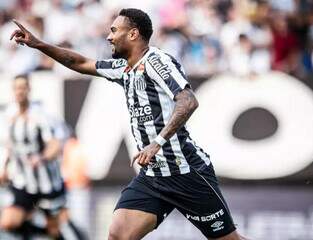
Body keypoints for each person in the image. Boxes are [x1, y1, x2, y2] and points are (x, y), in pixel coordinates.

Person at [10, 8, 246, 240]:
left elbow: (188, 101)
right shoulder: (123, 69)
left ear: (133, 34)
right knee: (118, 234)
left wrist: (156, 143)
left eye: (114, 30)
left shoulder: (156, 61)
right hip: (154, 175)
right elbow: (78, 62)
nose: (108, 36)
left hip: (186, 171)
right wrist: (38, 44)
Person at [0, 74, 84, 240]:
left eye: (23, 87)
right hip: (23, 182)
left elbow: (54, 145)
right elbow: (10, 146)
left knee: (55, 228)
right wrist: (4, 168)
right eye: (17, 88)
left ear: (29, 89)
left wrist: (42, 158)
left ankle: (63, 233)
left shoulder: (41, 116)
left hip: (47, 184)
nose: (20, 92)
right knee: (9, 222)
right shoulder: (10, 115)